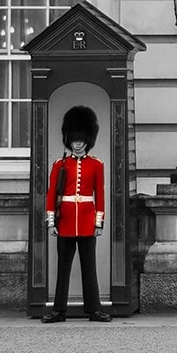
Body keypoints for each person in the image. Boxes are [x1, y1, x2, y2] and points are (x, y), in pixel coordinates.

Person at [43, 105, 111, 323]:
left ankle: (94, 310)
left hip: (86, 221)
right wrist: (52, 222)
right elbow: (52, 194)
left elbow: (99, 195)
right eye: (75, 140)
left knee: (89, 268)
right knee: (63, 269)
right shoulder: (59, 164)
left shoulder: (97, 165)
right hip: (65, 222)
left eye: (81, 140)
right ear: (69, 140)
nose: (78, 144)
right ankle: (58, 311)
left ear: (87, 141)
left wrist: (99, 223)